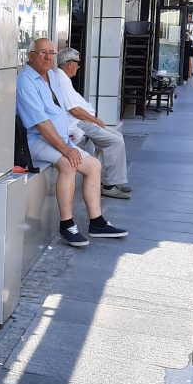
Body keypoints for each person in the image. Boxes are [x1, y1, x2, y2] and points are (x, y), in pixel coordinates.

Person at [16, 38, 128, 247]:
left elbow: (61, 111)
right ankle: (67, 225)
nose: (48, 57)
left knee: (94, 165)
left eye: (51, 53)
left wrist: (69, 139)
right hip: (36, 141)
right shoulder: (25, 81)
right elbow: (41, 124)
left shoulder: (52, 75)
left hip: (59, 139)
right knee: (68, 164)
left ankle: (97, 223)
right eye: (42, 53)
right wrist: (66, 149)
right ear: (31, 56)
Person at [54, 48, 131, 200]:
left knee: (117, 136)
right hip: (79, 123)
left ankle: (114, 179)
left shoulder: (63, 78)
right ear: (69, 64)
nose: (79, 66)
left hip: (83, 121)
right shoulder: (60, 79)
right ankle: (109, 186)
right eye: (77, 63)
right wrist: (95, 120)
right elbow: (74, 110)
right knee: (114, 142)